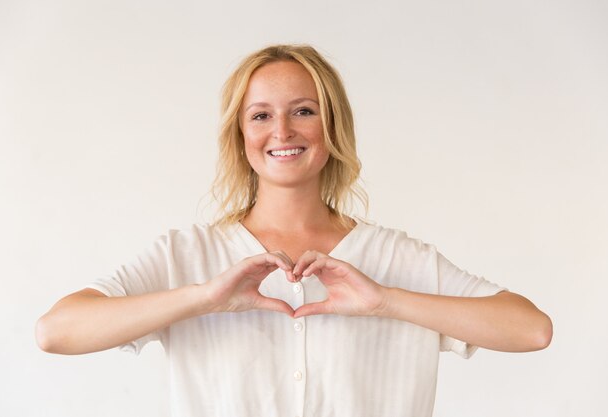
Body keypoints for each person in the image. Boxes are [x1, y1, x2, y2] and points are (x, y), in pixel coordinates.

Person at [36, 44, 553, 417]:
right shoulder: (186, 254)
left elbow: (532, 330)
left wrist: (387, 303)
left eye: (303, 111)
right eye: (261, 115)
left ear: (332, 127)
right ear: (240, 137)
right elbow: (56, 332)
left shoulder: (399, 257)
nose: (281, 132)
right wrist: (201, 298)